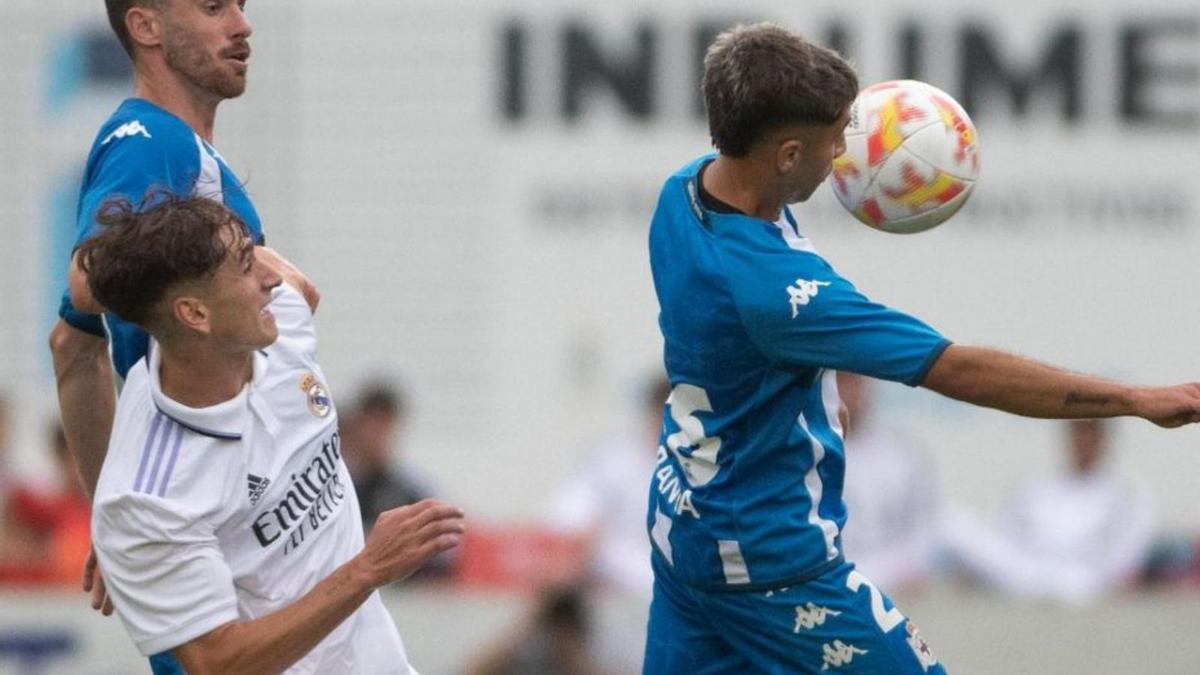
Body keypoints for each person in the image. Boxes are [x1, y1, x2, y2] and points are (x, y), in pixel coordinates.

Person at [642, 22, 1200, 675]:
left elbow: (737, 353)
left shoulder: (683, 192)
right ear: (787, 155)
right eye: (835, 141)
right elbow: (956, 368)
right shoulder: (775, 292)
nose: (848, 155)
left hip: (687, 530)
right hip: (771, 569)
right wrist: (1136, 399)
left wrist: (809, 398)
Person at [80, 192, 465, 674]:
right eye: (245, 265)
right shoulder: (146, 495)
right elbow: (216, 664)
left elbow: (301, 289)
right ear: (194, 314)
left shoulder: (279, 320)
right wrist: (367, 570)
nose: (268, 277)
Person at [46, 4, 308, 669]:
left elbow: (72, 347)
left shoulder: (179, 152)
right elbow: (90, 277)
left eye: (243, 7)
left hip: (217, 534)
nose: (242, 25)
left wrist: (121, 524)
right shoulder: (153, 142)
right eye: (214, 6)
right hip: (224, 537)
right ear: (147, 26)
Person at [942, 419, 1154, 604]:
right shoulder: (1035, 487)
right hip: (1027, 574)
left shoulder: (1126, 493)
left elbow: (1127, 554)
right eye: (1077, 433)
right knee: (955, 522)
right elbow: (1005, 540)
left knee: (1074, 586)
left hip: (1086, 580)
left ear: (1103, 439)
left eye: (1090, 434)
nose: (1083, 442)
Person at [837, 372, 938, 595]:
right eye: (838, 382)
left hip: (893, 572)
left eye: (852, 381)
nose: (846, 391)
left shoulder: (902, 452)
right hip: (830, 575)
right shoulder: (806, 453)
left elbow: (922, 528)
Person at [341, 380, 454, 580]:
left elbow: (441, 559)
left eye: (384, 425)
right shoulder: (340, 489)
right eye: (371, 424)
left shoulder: (412, 492)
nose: (377, 435)